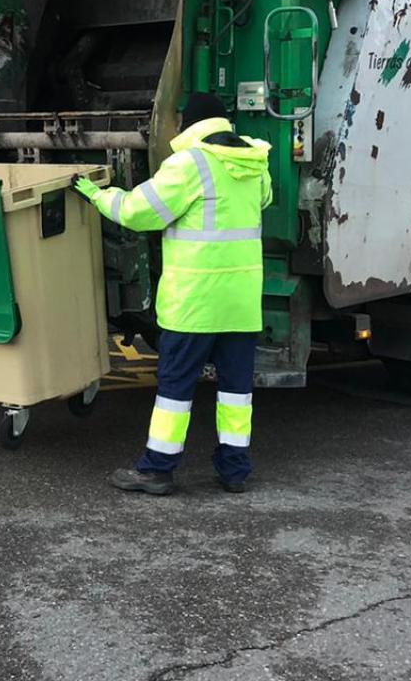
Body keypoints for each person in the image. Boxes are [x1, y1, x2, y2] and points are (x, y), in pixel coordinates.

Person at [74, 93, 272, 494]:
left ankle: (157, 469)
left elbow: (138, 211)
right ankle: (234, 470)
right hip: (242, 303)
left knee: (175, 389)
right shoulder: (255, 163)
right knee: (236, 393)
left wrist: (98, 196)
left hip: (195, 304)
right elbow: (264, 201)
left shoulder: (190, 163)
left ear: (189, 123)